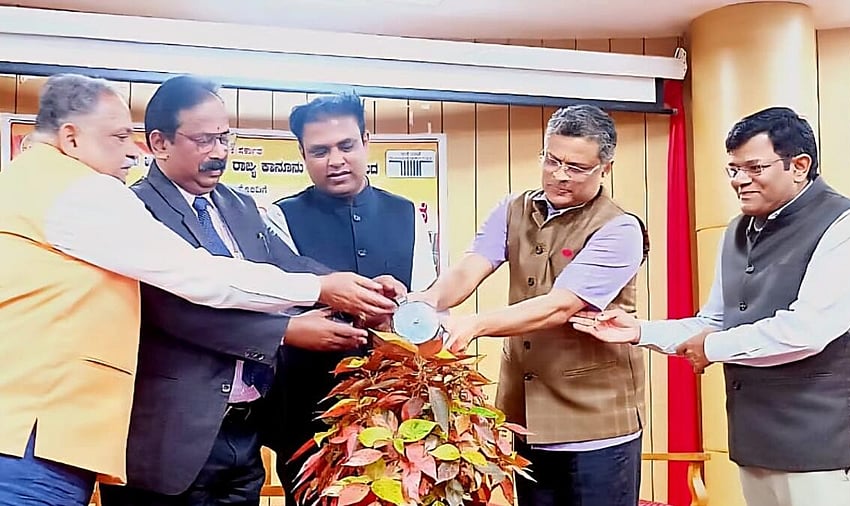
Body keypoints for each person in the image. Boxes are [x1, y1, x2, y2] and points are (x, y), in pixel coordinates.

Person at [0, 73, 396, 506]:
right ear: (72, 138)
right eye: (117, 137)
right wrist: (302, 310)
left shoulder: (237, 204)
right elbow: (190, 283)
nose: (219, 152)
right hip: (69, 436)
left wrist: (360, 291)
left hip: (236, 435)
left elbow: (286, 263)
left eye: (224, 138)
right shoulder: (94, 195)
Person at [571, 107, 850, 506]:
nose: (739, 181)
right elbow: (714, 322)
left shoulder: (846, 225)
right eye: (733, 169)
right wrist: (639, 331)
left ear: (799, 165)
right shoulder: (738, 230)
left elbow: (808, 331)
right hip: (755, 440)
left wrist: (711, 348)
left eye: (753, 167)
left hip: (824, 445)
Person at [412, 104, 648, 506]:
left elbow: (560, 307)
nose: (559, 175)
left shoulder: (620, 228)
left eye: (575, 167)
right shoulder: (513, 208)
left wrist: (473, 325)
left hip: (595, 421)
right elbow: (473, 265)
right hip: (527, 419)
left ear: (604, 168)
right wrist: (425, 302)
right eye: (551, 159)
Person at [262, 93, 437, 505]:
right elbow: (279, 304)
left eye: (346, 146)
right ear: (302, 153)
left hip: (395, 407)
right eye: (320, 151)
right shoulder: (278, 217)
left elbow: (427, 306)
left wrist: (403, 310)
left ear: (366, 141)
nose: (335, 160)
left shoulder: (407, 213)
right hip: (307, 409)